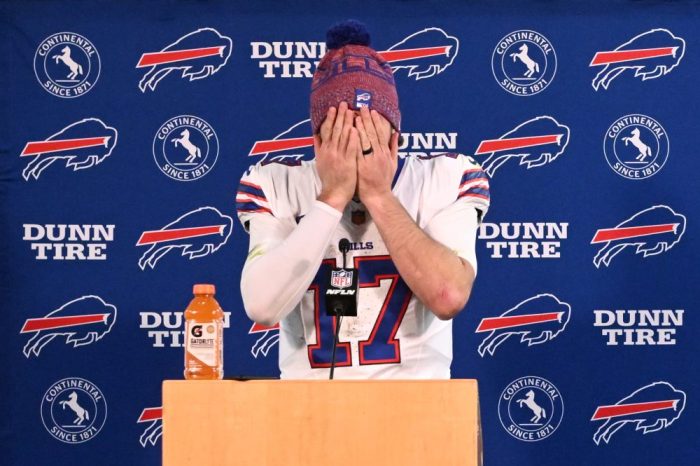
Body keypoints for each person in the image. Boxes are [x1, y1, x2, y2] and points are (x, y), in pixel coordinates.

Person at [237, 20, 490, 379]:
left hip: (418, 407)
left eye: (370, 135)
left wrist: (379, 195)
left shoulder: (445, 179)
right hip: (308, 408)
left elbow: (448, 296)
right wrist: (331, 199)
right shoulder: (275, 185)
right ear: (317, 142)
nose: (356, 150)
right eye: (341, 136)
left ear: (395, 138)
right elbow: (262, 307)